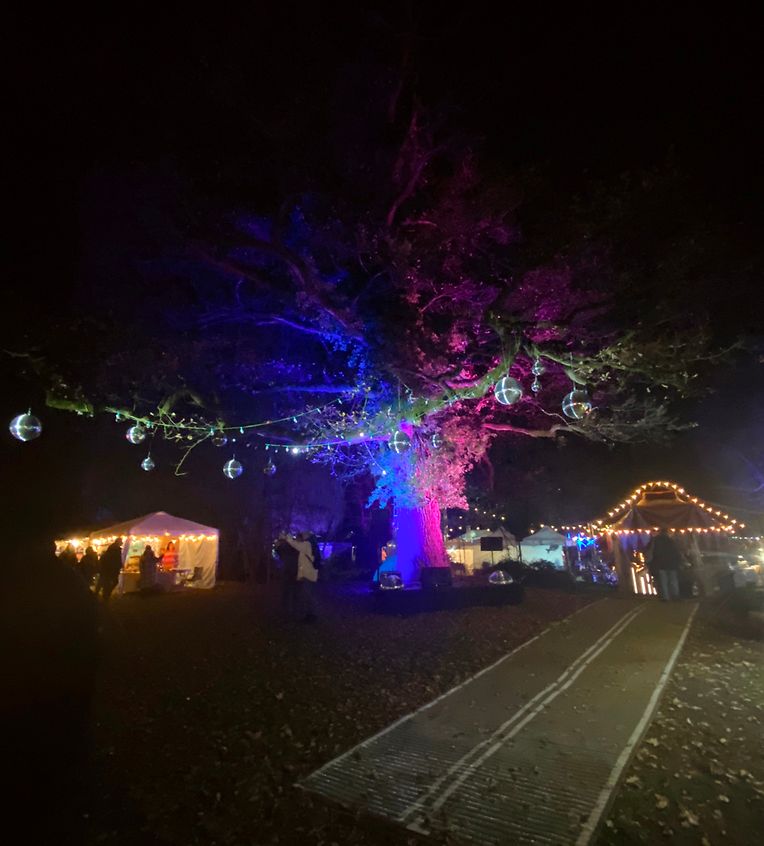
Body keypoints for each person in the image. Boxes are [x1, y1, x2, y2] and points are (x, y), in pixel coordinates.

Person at [282, 531, 319, 622]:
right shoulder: (311, 544)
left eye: (304, 533)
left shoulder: (307, 544)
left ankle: (312, 615)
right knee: (308, 595)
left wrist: (287, 537)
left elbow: (295, 545)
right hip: (309, 574)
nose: (303, 534)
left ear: (308, 535)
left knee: (308, 595)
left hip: (308, 574)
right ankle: (310, 614)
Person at [647, 527, 683, 601]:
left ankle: (665, 597)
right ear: (667, 532)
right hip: (671, 563)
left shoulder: (655, 541)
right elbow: (676, 552)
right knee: (673, 580)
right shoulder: (671, 541)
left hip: (660, 564)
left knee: (663, 581)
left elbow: (652, 551)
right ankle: (675, 595)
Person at [273, 535, 300, 618]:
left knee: (289, 593)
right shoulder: (291, 549)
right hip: (292, 572)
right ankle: (290, 611)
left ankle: (289, 611)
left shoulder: (287, 549)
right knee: (291, 593)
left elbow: (280, 552)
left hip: (290, 572)